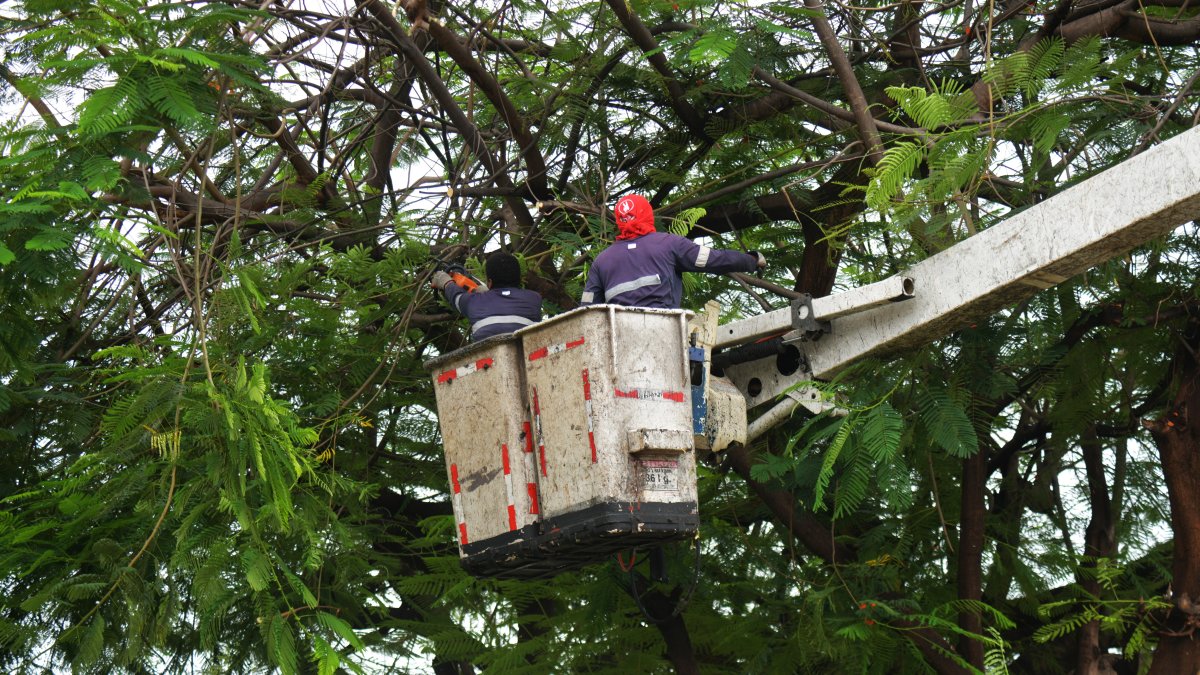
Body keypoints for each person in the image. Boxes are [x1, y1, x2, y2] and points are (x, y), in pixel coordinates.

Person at [581, 194, 766, 308]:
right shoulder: (668, 244)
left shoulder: (602, 261)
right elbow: (715, 260)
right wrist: (752, 260)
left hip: (618, 344)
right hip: (664, 334)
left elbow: (587, 308)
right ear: (647, 213)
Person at [432, 251, 542, 341]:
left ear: (489, 282)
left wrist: (445, 281)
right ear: (519, 278)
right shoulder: (534, 299)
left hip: (488, 362)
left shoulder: (473, 302)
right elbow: (504, 301)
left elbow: (455, 295)